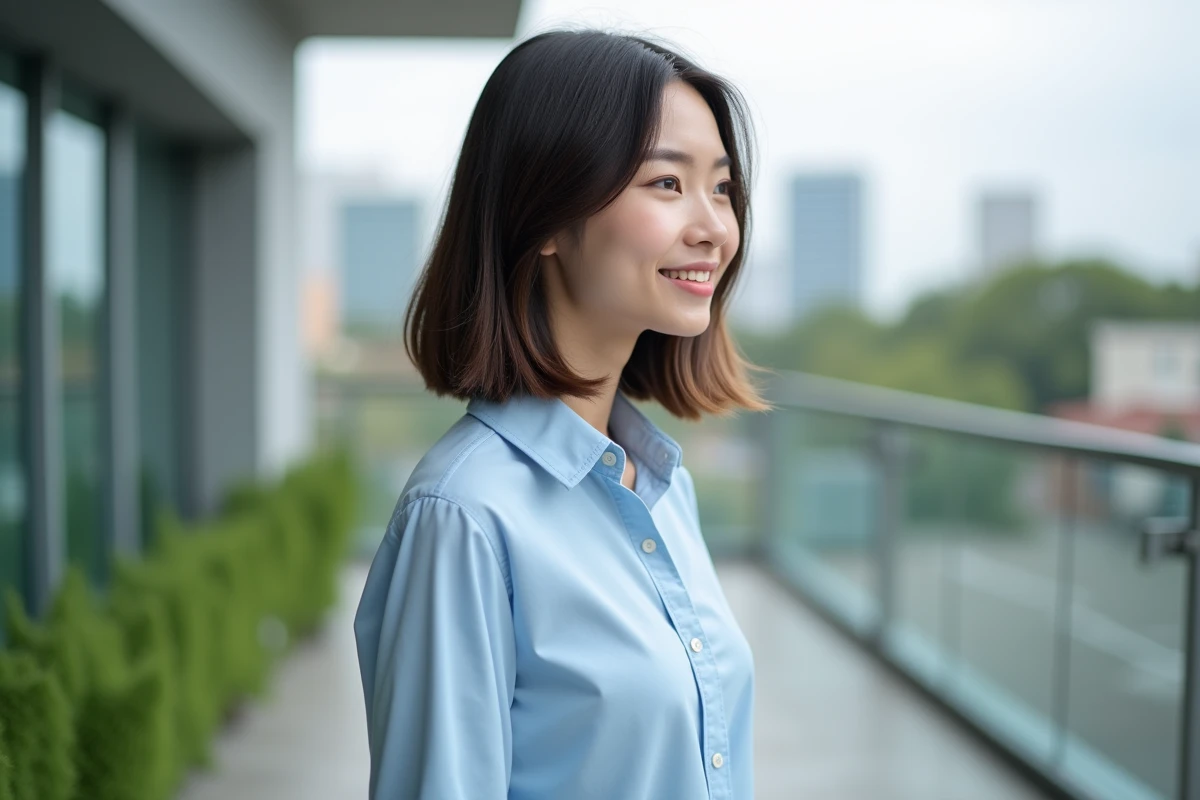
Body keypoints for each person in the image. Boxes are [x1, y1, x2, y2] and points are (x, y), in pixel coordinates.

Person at [353, 27, 774, 800]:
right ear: (546, 215)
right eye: (666, 184)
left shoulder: (660, 486)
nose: (716, 227)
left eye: (721, 187)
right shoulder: (464, 518)